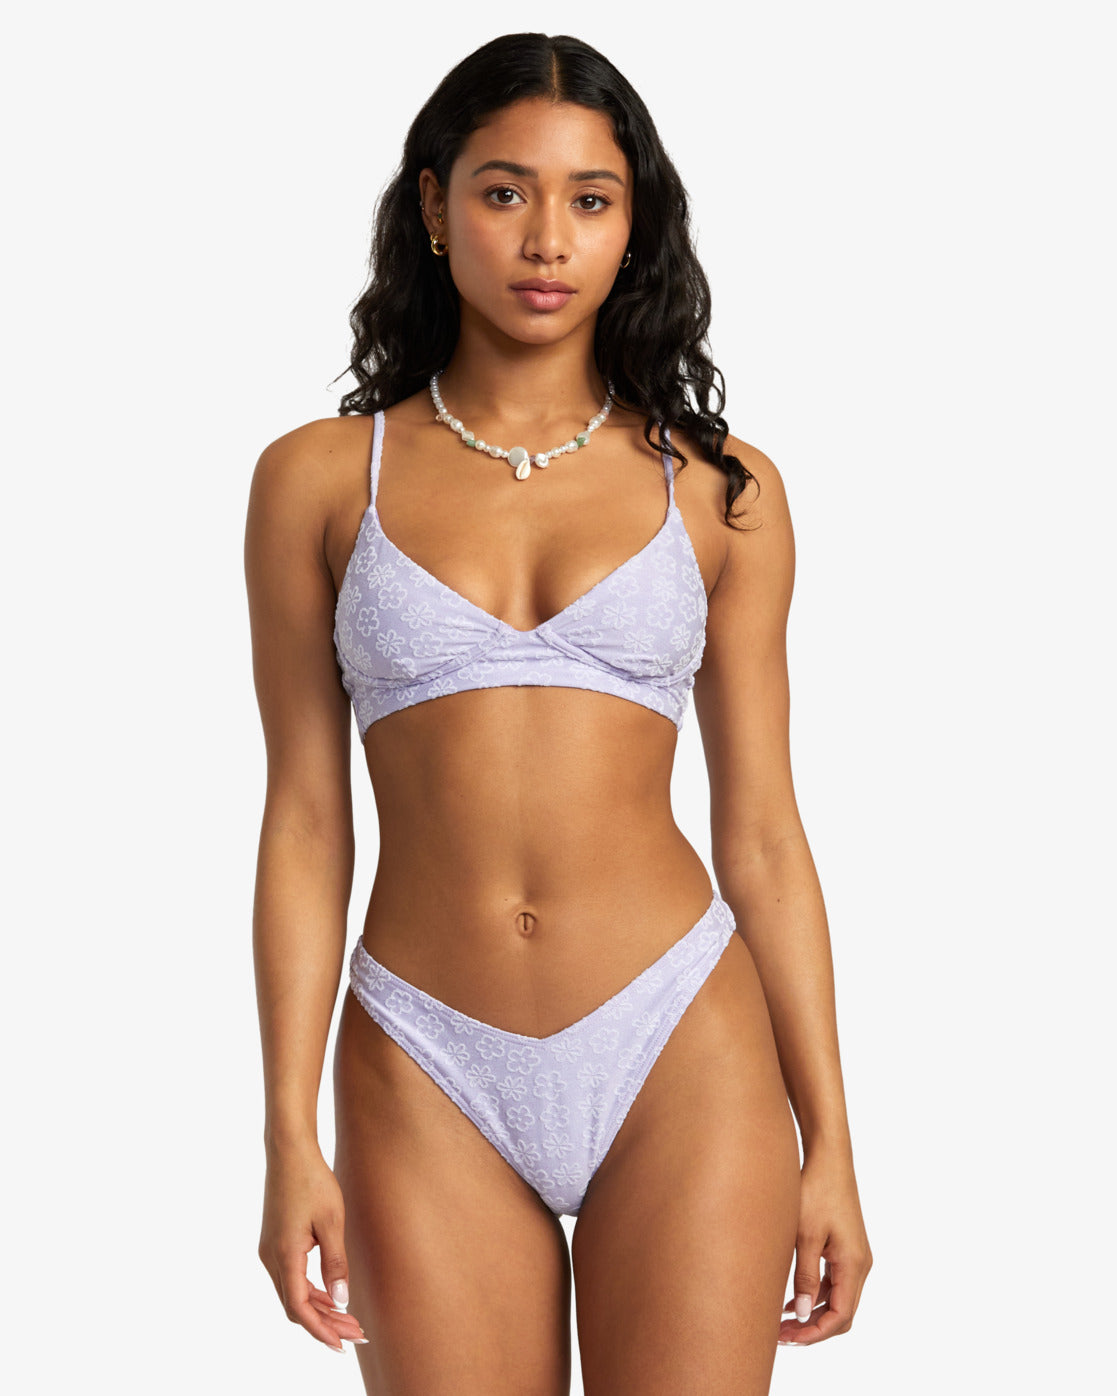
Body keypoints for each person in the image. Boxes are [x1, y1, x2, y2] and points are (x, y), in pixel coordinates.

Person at [244, 31, 871, 1395]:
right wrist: (288, 1133)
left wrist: (832, 1140)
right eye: (503, 191)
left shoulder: (721, 490)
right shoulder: (317, 480)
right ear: (433, 206)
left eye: (591, 198)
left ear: (634, 225)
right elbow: (304, 822)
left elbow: (764, 832)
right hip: (424, 1050)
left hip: (680, 1040)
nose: (546, 239)